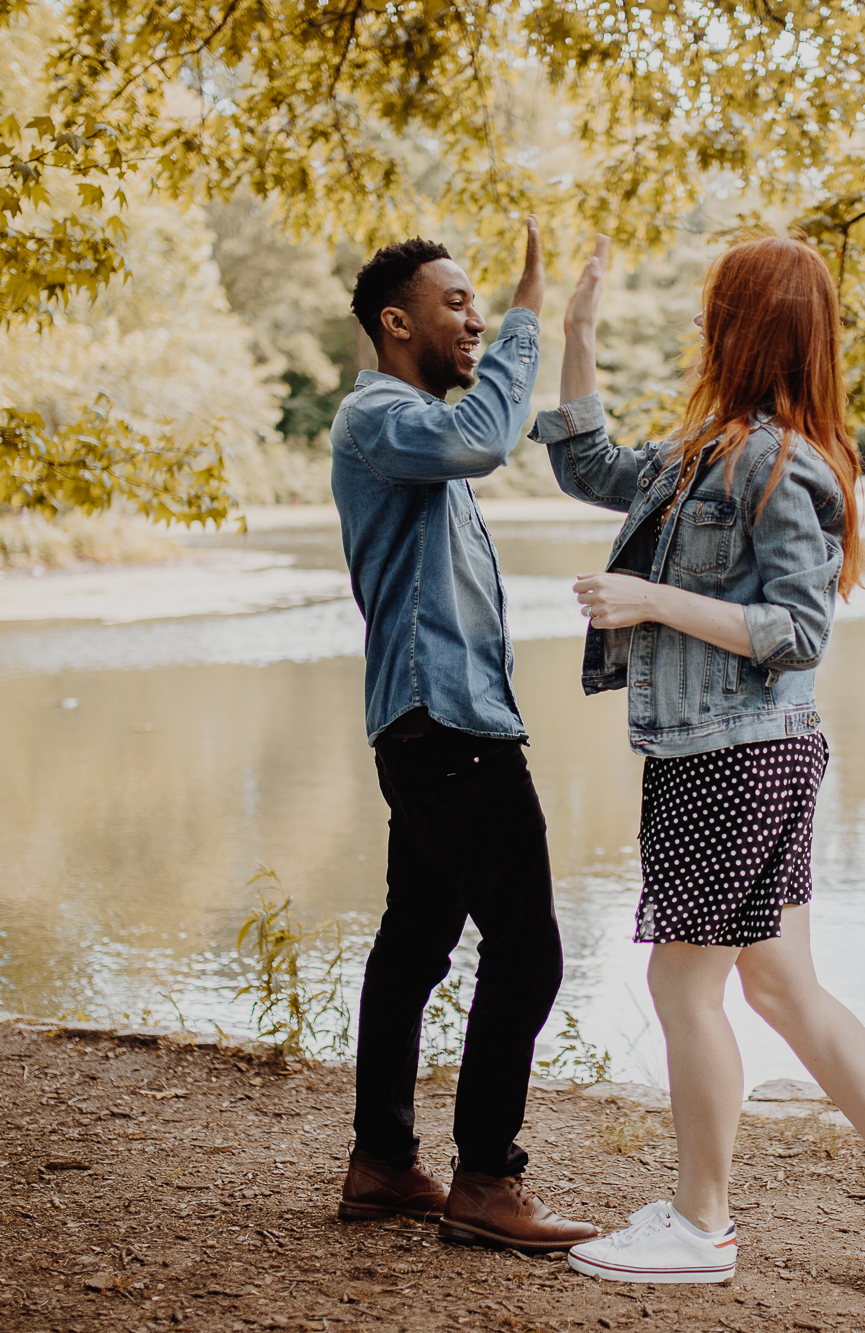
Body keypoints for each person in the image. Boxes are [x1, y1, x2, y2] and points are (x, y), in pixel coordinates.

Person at [531, 233, 865, 1300]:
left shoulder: (784, 466)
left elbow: (795, 630)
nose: (696, 322)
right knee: (777, 982)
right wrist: (578, 332)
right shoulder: (705, 451)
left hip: (737, 758)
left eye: (711, 308)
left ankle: (699, 1222)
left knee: (680, 982)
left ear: (748, 327)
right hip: (731, 753)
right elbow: (586, 464)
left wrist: (649, 600)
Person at [328, 218, 597, 1255]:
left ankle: (383, 1164)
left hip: (431, 725)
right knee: (525, 954)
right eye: (457, 304)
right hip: (447, 729)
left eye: (482, 304)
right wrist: (532, 314)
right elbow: (487, 435)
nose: (476, 318)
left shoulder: (406, 430)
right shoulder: (382, 417)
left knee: (414, 946)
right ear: (396, 324)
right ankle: (485, 1181)